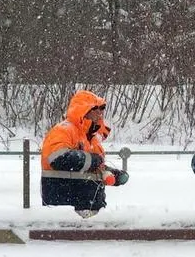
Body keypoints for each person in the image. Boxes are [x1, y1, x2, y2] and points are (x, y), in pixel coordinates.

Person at [41, 89, 129, 217]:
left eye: (101, 109)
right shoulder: (64, 130)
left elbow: (91, 166)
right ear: (83, 110)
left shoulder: (91, 138)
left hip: (90, 210)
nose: (100, 113)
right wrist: (93, 160)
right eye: (96, 109)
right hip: (65, 212)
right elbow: (58, 159)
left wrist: (112, 174)